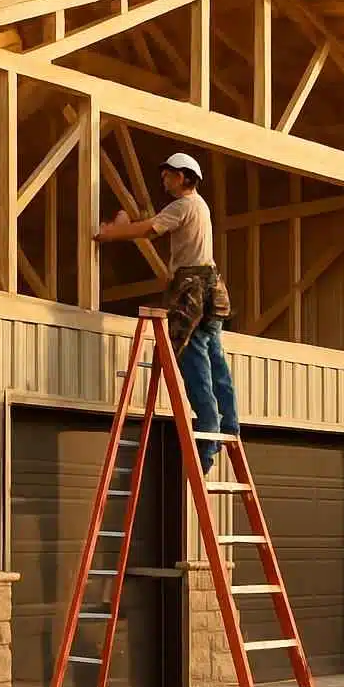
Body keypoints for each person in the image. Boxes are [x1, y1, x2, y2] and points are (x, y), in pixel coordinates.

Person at [94, 151, 240, 472]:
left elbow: (150, 229)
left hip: (192, 290)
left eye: (168, 174)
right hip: (211, 289)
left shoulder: (183, 205)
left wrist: (110, 233)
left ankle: (208, 441)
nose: (164, 179)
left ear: (184, 176)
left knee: (193, 360)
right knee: (215, 358)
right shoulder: (200, 206)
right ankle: (230, 425)